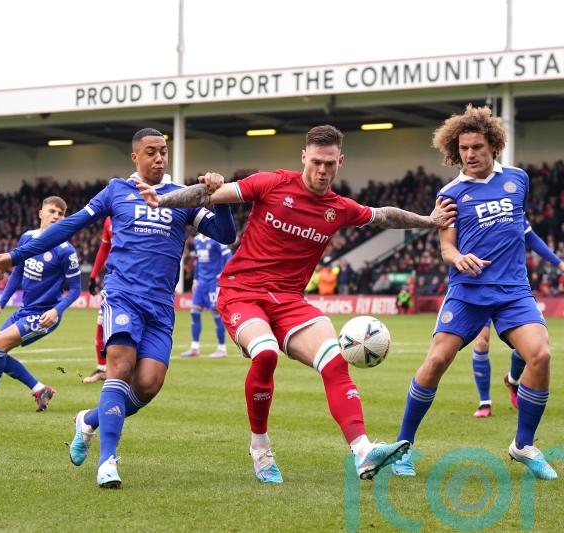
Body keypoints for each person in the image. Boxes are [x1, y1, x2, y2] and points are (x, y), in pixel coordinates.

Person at [137, 124, 456, 483]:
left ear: (340, 162)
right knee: (266, 353)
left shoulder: (338, 208)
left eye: (330, 164)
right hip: (243, 291)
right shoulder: (271, 183)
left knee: (335, 360)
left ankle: (364, 452)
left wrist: (430, 221)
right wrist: (161, 200)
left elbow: (383, 215)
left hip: (290, 300)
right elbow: (210, 194)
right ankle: (260, 448)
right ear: (304, 157)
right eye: (316, 162)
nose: (322, 170)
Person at [0, 128, 236, 489]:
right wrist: (16, 255)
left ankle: (88, 420)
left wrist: (218, 198)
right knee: (120, 366)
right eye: (151, 152)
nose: (159, 158)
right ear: (136, 157)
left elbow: (226, 235)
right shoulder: (117, 190)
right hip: (123, 295)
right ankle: (107, 462)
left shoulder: (180, 197)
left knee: (148, 384)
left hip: (161, 305)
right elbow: (69, 225)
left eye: (163, 151)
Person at [392, 105, 558, 480]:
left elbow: (520, 228)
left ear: (493, 145)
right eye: (464, 148)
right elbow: (446, 246)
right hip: (467, 292)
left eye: (477, 147)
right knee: (436, 361)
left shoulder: (518, 180)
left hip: (514, 291)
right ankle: (403, 447)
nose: (470, 154)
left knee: (541, 354)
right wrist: (457, 257)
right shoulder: (450, 193)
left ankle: (523, 445)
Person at [0, 196, 78, 412]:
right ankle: (40, 389)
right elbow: (17, 272)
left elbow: (76, 289)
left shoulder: (66, 251)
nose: (56, 216)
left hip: (44, 315)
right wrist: (0, 305)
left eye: (61, 214)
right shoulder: (27, 238)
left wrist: (56, 310)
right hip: (26, 310)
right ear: (41, 213)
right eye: (52, 211)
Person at [470, 221, 564, 418]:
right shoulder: (470, 205)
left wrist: (560, 264)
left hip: (511, 288)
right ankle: (484, 402)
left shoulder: (510, 205)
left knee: (528, 347)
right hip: (479, 286)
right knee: (481, 342)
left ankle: (512, 379)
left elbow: (532, 238)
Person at [180, 233, 232, 359]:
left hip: (214, 282)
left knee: (216, 314)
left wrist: (224, 274)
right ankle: (194, 348)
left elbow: (229, 257)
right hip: (201, 283)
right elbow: (197, 262)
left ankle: (221, 348)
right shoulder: (197, 240)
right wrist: (195, 280)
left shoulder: (217, 238)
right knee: (194, 312)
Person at [84, 216, 113, 383]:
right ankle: (102, 368)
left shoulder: (137, 210)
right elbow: (104, 247)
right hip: (114, 278)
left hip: (137, 278)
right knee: (102, 321)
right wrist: (94, 275)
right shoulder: (109, 219)